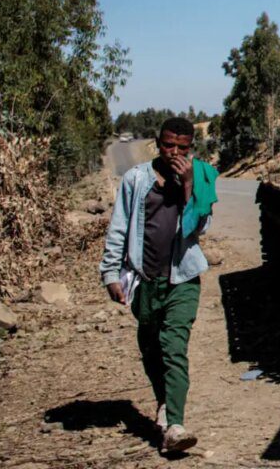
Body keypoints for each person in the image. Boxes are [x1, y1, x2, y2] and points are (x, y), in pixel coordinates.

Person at [99, 117, 218, 453]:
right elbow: (119, 228)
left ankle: (176, 425)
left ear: (191, 147)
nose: (174, 152)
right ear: (157, 143)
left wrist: (189, 185)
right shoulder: (136, 179)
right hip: (144, 279)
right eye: (168, 145)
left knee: (174, 347)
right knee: (150, 347)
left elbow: (201, 227)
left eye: (182, 147)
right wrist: (110, 273)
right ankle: (165, 404)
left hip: (183, 277)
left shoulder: (202, 176)